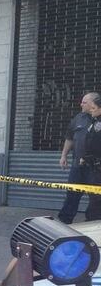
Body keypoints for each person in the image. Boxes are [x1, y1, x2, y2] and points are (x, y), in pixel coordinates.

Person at [57, 93, 100, 223]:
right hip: (77, 166)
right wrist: (64, 155)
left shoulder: (98, 120)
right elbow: (70, 137)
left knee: (96, 198)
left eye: (84, 102)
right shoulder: (79, 118)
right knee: (71, 195)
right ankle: (64, 222)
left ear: (95, 104)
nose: (81, 104)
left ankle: (93, 223)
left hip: (95, 169)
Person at [79, 94, 101, 222]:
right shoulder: (95, 122)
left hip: (98, 168)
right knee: (94, 198)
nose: (91, 110)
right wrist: (85, 157)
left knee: (97, 201)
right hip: (93, 168)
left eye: (94, 108)